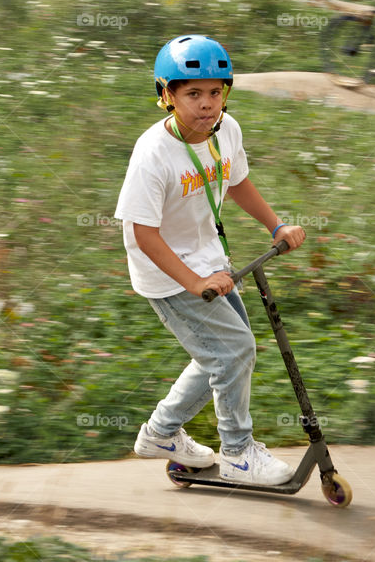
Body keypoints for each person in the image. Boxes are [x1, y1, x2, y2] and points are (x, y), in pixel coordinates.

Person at [115, 34, 307, 486]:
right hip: (168, 273)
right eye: (193, 93)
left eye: (216, 92)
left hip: (210, 262)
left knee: (221, 355)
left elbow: (236, 182)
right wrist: (194, 282)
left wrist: (276, 226)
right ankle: (238, 453)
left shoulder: (226, 130)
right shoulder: (153, 154)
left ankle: (160, 434)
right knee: (234, 350)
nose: (207, 104)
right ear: (167, 95)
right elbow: (143, 234)